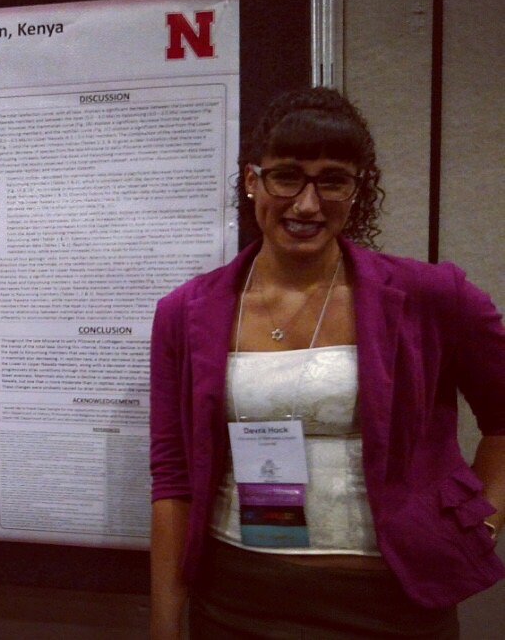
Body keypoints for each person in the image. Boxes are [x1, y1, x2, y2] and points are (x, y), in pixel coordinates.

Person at [148, 86, 505, 638]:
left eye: (333, 180)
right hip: (237, 598)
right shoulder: (185, 312)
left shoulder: (432, 296)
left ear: (357, 190)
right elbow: (174, 478)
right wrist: (165, 625)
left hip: (393, 603)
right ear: (252, 180)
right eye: (286, 176)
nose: (307, 205)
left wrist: (482, 523)